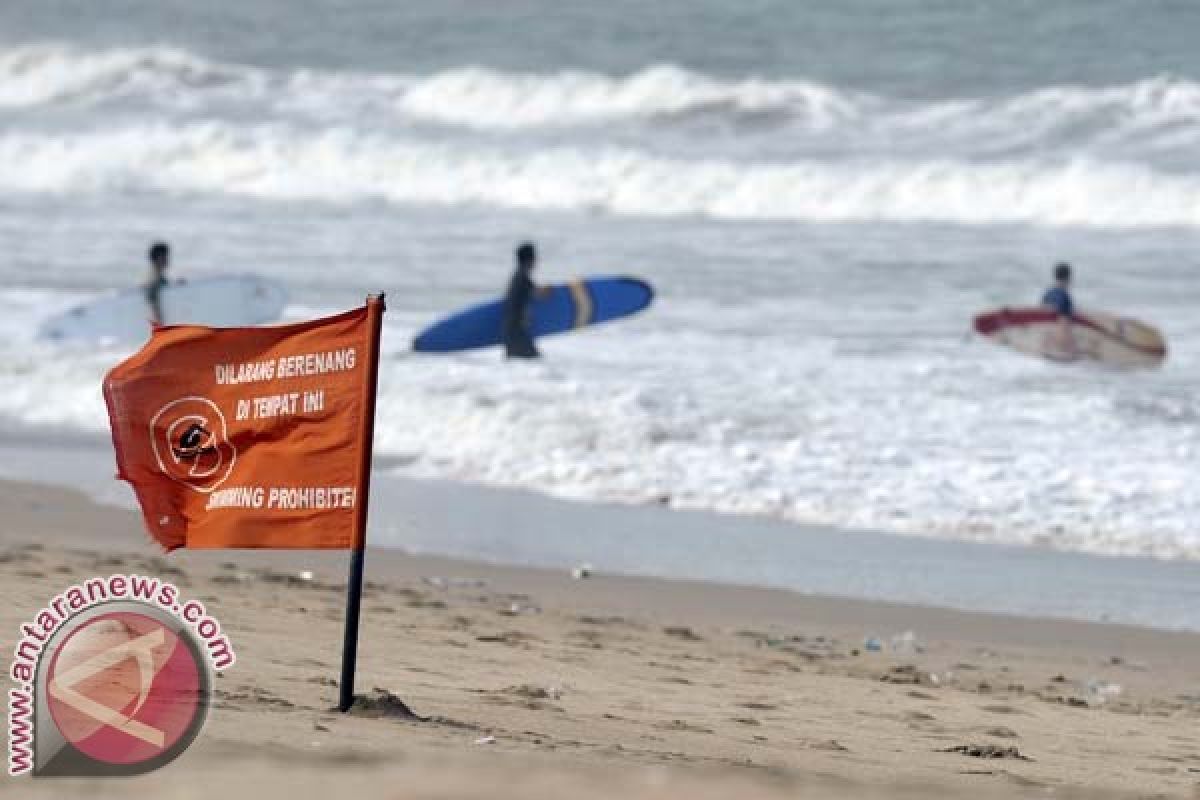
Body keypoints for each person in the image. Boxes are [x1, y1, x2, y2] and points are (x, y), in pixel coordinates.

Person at [502, 242, 541, 359]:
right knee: (534, 360)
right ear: (530, 260)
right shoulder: (522, 277)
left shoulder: (517, 276)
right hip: (517, 331)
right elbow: (540, 294)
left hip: (511, 330)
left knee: (519, 364)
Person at [1041, 262, 1076, 355]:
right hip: (1059, 348)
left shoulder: (1047, 293)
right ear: (1068, 279)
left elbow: (1042, 313)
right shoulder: (1064, 297)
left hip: (1045, 341)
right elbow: (1063, 322)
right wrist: (1071, 348)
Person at [144, 241, 172, 325]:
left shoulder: (158, 277)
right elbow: (151, 298)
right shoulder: (154, 278)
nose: (167, 260)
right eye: (164, 256)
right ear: (157, 259)